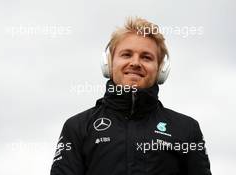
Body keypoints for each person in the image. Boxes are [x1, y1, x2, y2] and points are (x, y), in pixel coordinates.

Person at [50, 17, 212, 175]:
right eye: (126, 54)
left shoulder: (187, 129)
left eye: (146, 57)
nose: (135, 63)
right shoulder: (77, 127)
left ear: (161, 70)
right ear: (108, 64)